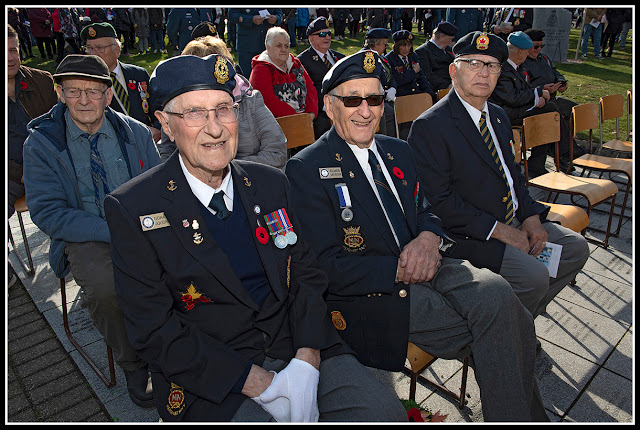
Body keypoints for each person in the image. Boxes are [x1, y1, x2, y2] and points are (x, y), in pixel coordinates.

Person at [104, 53, 407, 422]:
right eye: (195, 113)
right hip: (213, 369)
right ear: (166, 125)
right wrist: (257, 381)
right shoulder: (134, 208)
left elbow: (307, 275)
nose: (215, 128)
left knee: (384, 412)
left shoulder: (269, 183)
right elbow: (152, 329)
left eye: (223, 109)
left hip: (298, 341)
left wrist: (308, 358)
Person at [284, 49, 549, 422]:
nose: (365, 110)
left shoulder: (398, 151)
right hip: (377, 289)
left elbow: (427, 210)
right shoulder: (307, 167)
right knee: (506, 326)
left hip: (435, 262)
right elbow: (323, 265)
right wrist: (398, 268)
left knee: (499, 293)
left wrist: (427, 238)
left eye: (374, 99)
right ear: (329, 107)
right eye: (352, 100)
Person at [408, 30, 590, 322]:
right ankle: (508, 331)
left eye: (492, 65)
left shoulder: (497, 115)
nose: (484, 73)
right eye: (474, 63)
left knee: (575, 248)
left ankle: (519, 321)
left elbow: (512, 175)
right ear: (454, 71)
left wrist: (530, 217)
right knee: (533, 277)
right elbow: (440, 202)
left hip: (513, 219)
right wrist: (503, 232)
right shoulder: (431, 126)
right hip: (474, 233)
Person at [21, 54, 162, 408]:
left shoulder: (136, 132)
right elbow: (48, 211)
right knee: (106, 288)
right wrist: (110, 231)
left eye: (93, 92)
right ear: (59, 93)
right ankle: (134, 361)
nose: (84, 100)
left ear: (109, 95)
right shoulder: (42, 143)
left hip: (140, 226)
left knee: (185, 265)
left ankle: (175, 344)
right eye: (73, 91)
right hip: (84, 234)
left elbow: (160, 187)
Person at [156, 36, 287, 169]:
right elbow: (166, 157)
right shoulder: (177, 109)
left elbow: (276, 154)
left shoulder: (250, 101)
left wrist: (225, 168)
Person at [7, 24, 58, 286]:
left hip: (50, 165)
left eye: (14, 50)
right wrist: (21, 173)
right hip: (11, 174)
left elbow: (59, 126)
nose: (11, 58)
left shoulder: (41, 80)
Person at [489, 31, 571, 177]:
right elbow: (511, 98)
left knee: (547, 114)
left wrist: (538, 94)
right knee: (549, 109)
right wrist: (538, 93)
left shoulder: (517, 67)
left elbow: (524, 89)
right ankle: (565, 154)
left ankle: (540, 163)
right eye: (527, 52)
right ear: (520, 52)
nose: (528, 56)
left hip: (516, 108)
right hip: (503, 112)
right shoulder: (502, 69)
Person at [80, 22, 161, 143]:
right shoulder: (83, 83)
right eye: (89, 48)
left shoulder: (138, 74)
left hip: (148, 143)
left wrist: (157, 129)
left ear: (117, 50)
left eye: (100, 48)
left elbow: (156, 106)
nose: (93, 54)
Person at [522, 28, 580, 142]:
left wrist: (561, 82)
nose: (538, 50)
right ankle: (564, 148)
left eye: (541, 46)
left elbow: (555, 72)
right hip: (536, 101)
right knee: (555, 115)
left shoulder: (544, 59)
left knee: (575, 110)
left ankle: (566, 144)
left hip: (552, 98)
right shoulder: (522, 62)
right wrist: (543, 89)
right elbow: (524, 87)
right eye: (535, 46)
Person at [249, 26, 318, 121]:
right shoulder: (261, 69)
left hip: (306, 119)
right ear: (268, 48)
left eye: (287, 46)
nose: (284, 49)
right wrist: (299, 120)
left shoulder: (296, 63)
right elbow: (267, 101)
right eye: (279, 45)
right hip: (278, 124)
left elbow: (311, 89)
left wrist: (311, 113)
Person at [297, 17, 346, 139]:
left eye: (329, 33)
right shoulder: (302, 61)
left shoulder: (340, 57)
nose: (327, 37)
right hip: (321, 109)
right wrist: (326, 105)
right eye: (322, 34)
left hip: (345, 103)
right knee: (322, 126)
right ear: (311, 38)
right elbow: (305, 90)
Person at [385, 30, 435, 140]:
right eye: (403, 46)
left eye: (409, 45)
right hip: (402, 97)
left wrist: (430, 93)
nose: (407, 49)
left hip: (416, 94)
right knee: (405, 130)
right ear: (397, 46)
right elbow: (397, 81)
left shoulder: (413, 56)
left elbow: (421, 77)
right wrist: (413, 73)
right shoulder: (390, 59)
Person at [229, 8, 283, 80]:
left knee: (268, 77)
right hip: (247, 45)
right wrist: (251, 19)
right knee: (247, 78)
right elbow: (232, 15)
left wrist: (276, 18)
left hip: (268, 45)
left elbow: (279, 13)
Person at [363, 27, 397, 137]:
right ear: (376, 44)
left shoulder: (380, 57)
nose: (386, 47)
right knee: (388, 112)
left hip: (386, 96)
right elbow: (371, 81)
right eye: (384, 44)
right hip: (374, 99)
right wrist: (385, 94)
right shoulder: (366, 57)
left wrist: (393, 88)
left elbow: (391, 76)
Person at [414, 21, 457, 92]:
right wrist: (448, 85)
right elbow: (427, 76)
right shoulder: (423, 51)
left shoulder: (449, 49)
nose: (451, 42)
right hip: (439, 89)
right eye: (449, 39)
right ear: (442, 36)